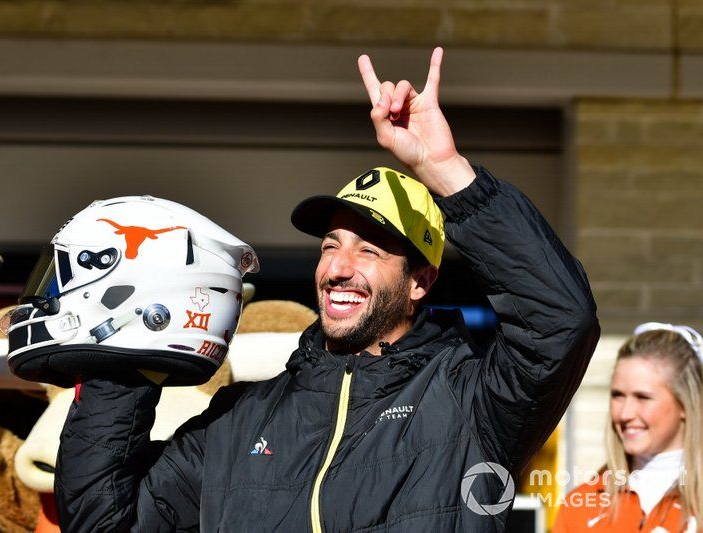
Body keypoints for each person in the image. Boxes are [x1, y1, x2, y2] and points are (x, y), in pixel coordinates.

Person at [55, 47, 599, 532]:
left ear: (420, 282)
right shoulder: (241, 418)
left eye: (369, 250)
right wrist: (122, 359)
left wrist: (446, 171)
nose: (338, 267)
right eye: (330, 245)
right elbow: (105, 522)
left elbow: (560, 319)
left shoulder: (471, 402)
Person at [553, 322, 703, 532]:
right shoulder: (581, 504)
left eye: (643, 397)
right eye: (617, 395)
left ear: (686, 403)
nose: (625, 414)